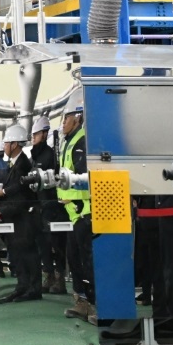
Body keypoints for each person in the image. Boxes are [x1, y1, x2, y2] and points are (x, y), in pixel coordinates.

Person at [0, 125, 38, 304]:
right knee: (19, 253)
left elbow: (21, 195)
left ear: (15, 144)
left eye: (6, 143)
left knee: (27, 253)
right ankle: (23, 286)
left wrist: (0, 208)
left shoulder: (22, 164)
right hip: (16, 217)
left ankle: (32, 288)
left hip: (23, 218)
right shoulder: (16, 163)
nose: (4, 146)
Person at [57, 105, 95, 322]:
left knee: (87, 261)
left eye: (67, 118)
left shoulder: (81, 142)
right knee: (74, 259)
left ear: (78, 118)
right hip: (74, 213)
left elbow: (84, 177)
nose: (63, 122)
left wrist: (72, 196)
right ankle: (82, 301)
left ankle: (96, 305)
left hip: (84, 211)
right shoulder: (69, 142)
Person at [28, 116, 64, 294]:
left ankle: (59, 277)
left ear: (43, 134)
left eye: (35, 134)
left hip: (51, 205)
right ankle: (49, 274)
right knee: (43, 243)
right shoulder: (35, 155)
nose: (33, 138)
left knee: (56, 243)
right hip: (40, 205)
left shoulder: (49, 155)